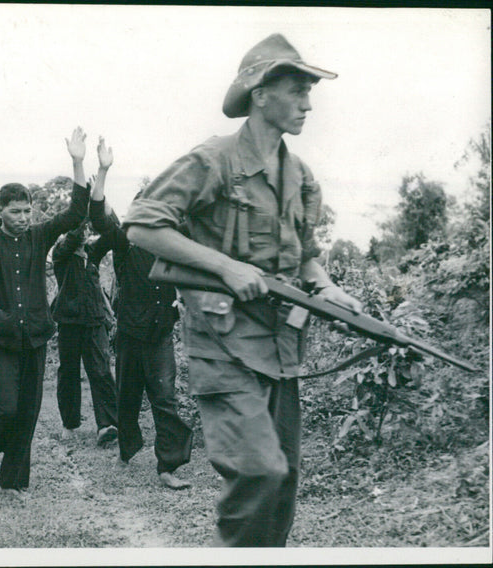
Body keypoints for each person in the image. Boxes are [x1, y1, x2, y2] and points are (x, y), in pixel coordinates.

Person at [121, 34, 363, 546]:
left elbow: (305, 254)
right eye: (297, 90)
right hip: (222, 347)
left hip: (281, 349)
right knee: (259, 474)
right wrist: (226, 266)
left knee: (283, 489)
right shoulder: (214, 160)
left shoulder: (300, 174)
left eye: (309, 92)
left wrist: (328, 289)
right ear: (259, 93)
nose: (308, 103)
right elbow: (143, 226)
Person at [0, 115, 91, 494]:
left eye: (26, 211)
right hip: (0, 336)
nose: (21, 217)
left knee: (28, 414)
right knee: (7, 407)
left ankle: (13, 483)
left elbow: (75, 213)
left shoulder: (39, 235)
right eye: (13, 211)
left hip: (36, 335)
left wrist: (78, 162)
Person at [88, 137, 193, 490]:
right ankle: (126, 451)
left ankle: (168, 467)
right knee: (128, 398)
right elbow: (98, 213)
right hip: (131, 334)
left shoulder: (172, 243)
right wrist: (103, 171)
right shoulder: (122, 239)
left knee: (165, 399)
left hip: (161, 332)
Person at [51, 215, 118, 446]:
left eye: (87, 229)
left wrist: (102, 208)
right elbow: (71, 238)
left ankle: (107, 425)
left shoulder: (92, 252)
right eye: (82, 229)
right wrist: (83, 212)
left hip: (95, 321)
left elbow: (112, 234)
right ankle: (69, 424)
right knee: (69, 373)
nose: (85, 233)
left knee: (101, 371)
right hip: (69, 323)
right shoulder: (61, 253)